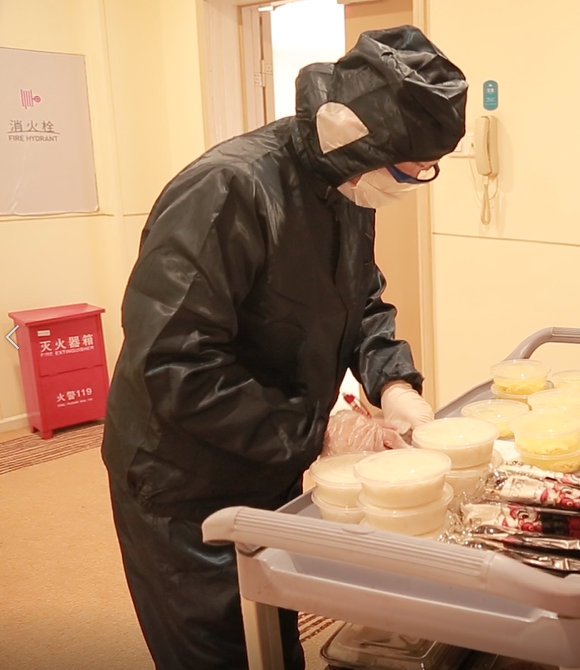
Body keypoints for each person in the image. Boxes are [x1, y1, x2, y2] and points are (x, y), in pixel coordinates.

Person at [101, 26, 466, 669]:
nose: (408, 184)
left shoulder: (347, 183)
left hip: (267, 455)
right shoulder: (227, 191)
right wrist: (318, 430)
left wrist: (394, 384)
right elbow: (172, 362)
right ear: (354, 135)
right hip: (180, 475)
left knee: (270, 632)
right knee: (219, 646)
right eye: (405, 171)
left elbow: (361, 299)